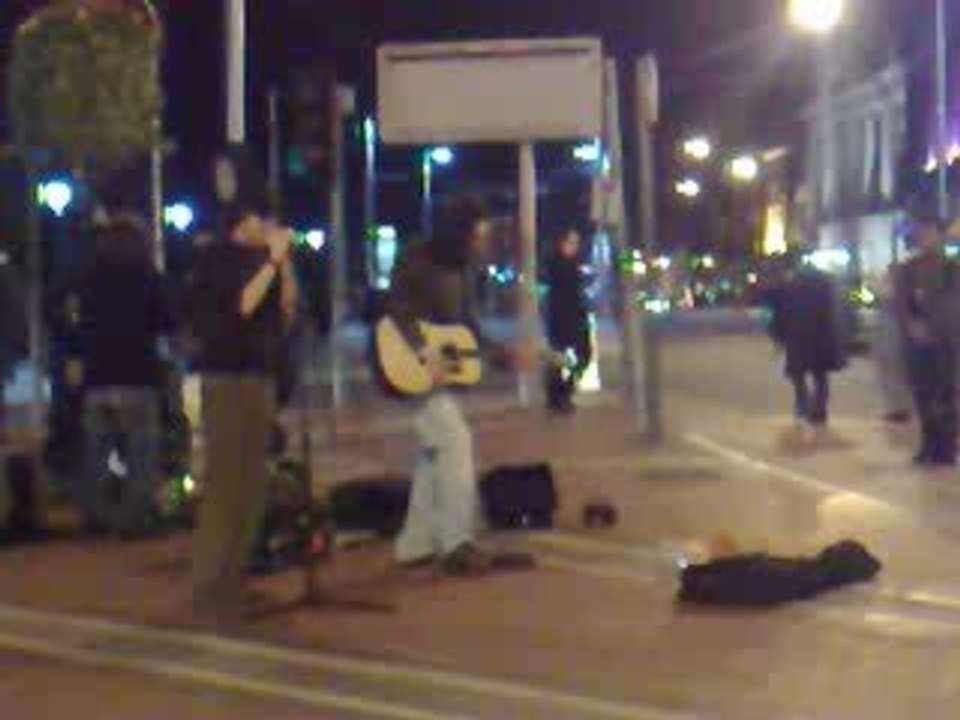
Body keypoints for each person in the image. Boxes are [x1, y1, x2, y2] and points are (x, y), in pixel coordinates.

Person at [387, 195, 530, 577]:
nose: (481, 244)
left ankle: (414, 542)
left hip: (439, 370)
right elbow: (398, 311)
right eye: (477, 236)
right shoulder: (417, 258)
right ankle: (455, 543)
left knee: (435, 453)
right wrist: (420, 351)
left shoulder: (460, 269)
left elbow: (466, 324)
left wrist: (502, 355)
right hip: (410, 370)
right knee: (454, 442)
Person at [187, 205, 298, 622]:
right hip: (226, 378)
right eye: (258, 220)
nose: (267, 226)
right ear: (240, 225)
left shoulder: (263, 264)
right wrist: (270, 261)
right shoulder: (217, 261)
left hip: (260, 376)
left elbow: (286, 309)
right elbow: (243, 306)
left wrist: (282, 264)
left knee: (253, 484)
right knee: (225, 482)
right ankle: (208, 584)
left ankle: (235, 580)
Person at [74, 216, 174, 536]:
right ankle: (135, 520)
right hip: (137, 375)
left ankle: (96, 518)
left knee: (96, 454)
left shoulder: (88, 278)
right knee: (140, 454)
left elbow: (68, 315)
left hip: (97, 376)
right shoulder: (148, 277)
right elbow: (166, 321)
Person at [894, 216, 960, 467]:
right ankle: (928, 443)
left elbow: (953, 306)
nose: (926, 239)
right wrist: (911, 325)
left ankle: (946, 447)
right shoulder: (908, 269)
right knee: (922, 395)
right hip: (916, 344)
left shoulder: (951, 268)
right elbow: (901, 303)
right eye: (922, 234)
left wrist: (934, 327)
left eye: (931, 234)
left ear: (939, 237)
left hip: (944, 342)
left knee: (945, 395)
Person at [767, 255, 847, 431]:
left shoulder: (788, 284)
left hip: (798, 335)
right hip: (822, 334)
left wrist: (777, 336)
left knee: (798, 374)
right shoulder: (825, 280)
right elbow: (834, 308)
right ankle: (819, 411)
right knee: (820, 375)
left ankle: (803, 406)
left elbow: (781, 312)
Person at [544, 230, 591, 414]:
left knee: (579, 357)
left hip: (572, 318)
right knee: (561, 359)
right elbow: (566, 293)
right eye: (571, 242)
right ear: (561, 243)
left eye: (576, 242)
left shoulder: (570, 264)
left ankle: (560, 395)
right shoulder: (559, 265)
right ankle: (559, 396)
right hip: (564, 318)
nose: (574, 246)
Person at [873, 268, 911, 425]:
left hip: (893, 336)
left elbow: (866, 298)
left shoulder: (894, 293)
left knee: (894, 373)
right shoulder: (901, 292)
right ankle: (896, 408)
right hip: (887, 336)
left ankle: (898, 409)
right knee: (890, 373)